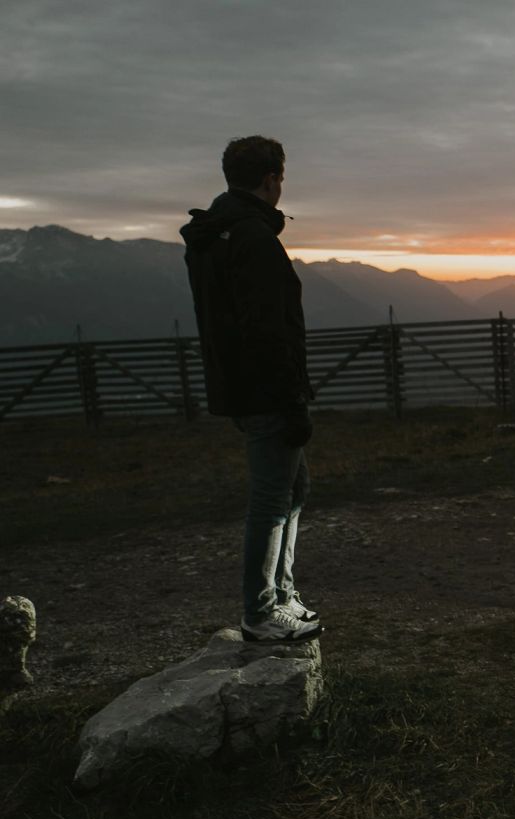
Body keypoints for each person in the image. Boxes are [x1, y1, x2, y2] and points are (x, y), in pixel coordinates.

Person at [180, 136, 322, 643]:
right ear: (271, 179)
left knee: (293, 488)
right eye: (280, 178)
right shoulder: (253, 238)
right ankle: (261, 610)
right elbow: (268, 329)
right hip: (266, 389)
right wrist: (290, 400)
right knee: (271, 498)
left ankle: (281, 594)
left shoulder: (211, 236)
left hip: (239, 384)